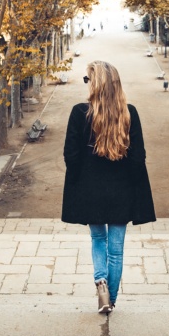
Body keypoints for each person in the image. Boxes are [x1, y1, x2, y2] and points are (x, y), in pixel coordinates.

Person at [62, 61, 156, 313]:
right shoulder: (129, 113)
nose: (86, 84)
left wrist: (78, 183)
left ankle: (100, 280)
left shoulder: (78, 112)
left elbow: (71, 155)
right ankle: (110, 300)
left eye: (87, 79)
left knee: (97, 238)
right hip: (121, 192)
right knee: (116, 249)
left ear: (96, 84)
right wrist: (135, 189)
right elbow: (138, 158)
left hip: (90, 190)